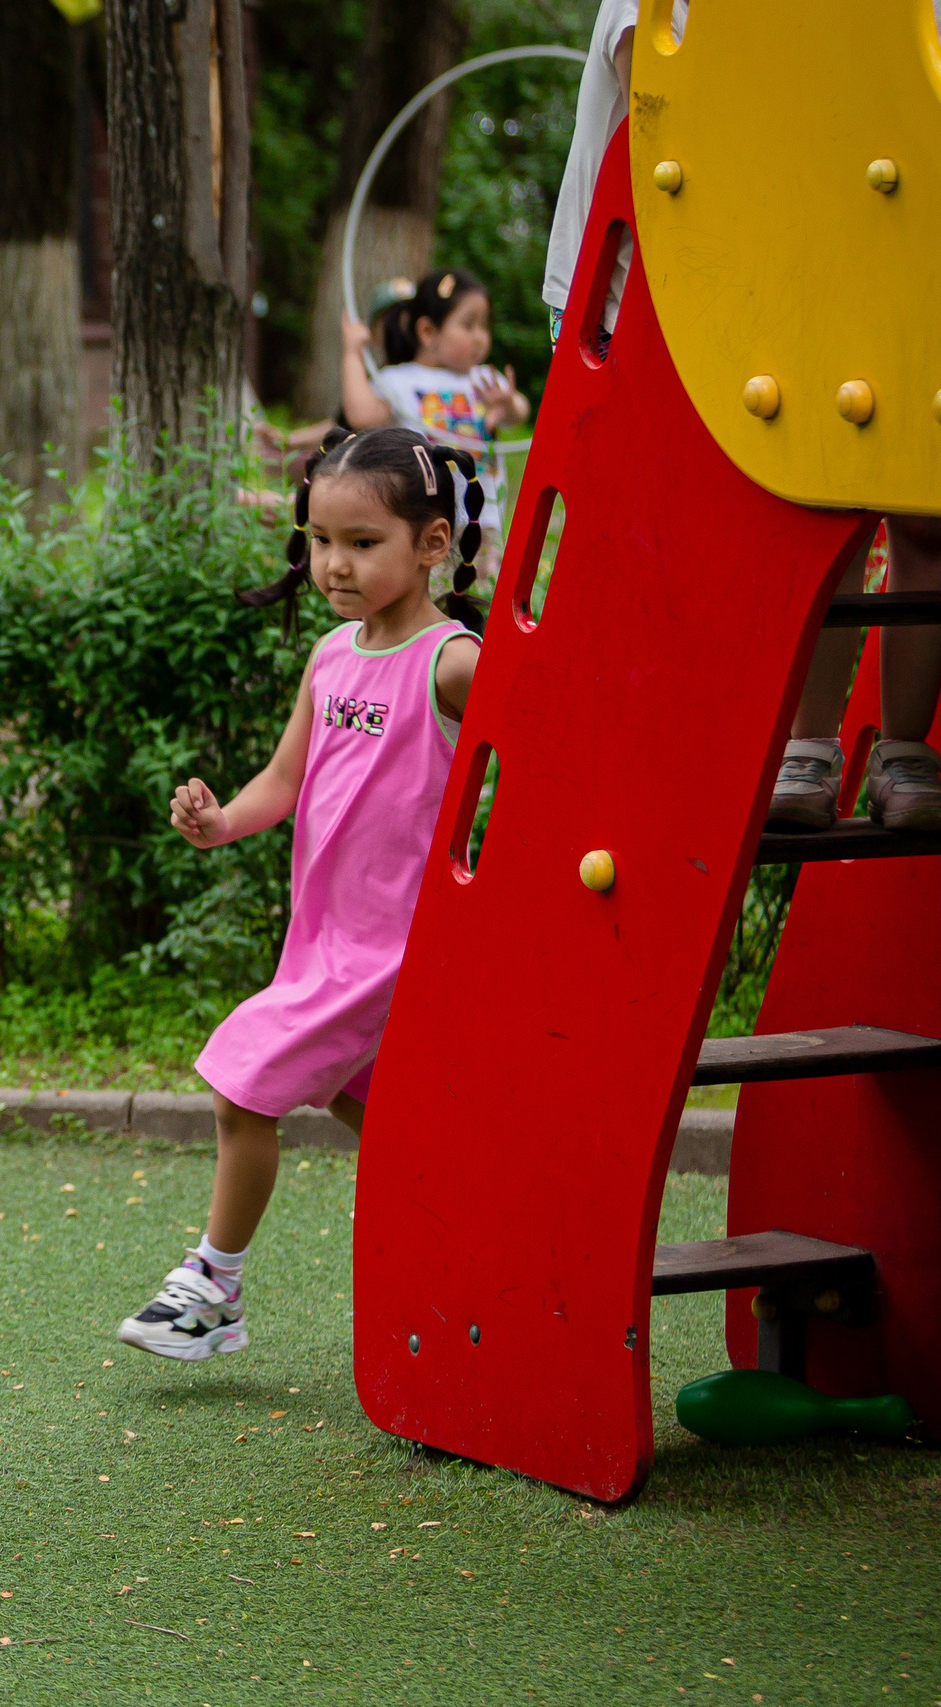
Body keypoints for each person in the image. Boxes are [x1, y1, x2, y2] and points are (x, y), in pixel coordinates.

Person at [117, 425, 484, 1362]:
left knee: (244, 1082)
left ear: (432, 544)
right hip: (324, 940)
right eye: (323, 540)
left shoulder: (453, 662)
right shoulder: (330, 657)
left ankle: (213, 1285)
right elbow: (286, 780)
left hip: (394, 948)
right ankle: (484, 1244)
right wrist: (220, 820)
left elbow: (540, 749)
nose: (335, 563)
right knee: (390, 1124)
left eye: (363, 543)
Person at [537, 0, 941, 832]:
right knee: (816, 504)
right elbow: (673, 111)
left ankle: (902, 749)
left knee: (924, 517)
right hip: (685, 294)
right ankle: (807, 743)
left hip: (874, 271)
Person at [339, 268, 530, 559]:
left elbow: (519, 413)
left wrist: (509, 404)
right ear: (428, 332)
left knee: (479, 595)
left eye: (484, 326)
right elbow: (362, 416)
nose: (481, 338)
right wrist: (352, 354)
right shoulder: (400, 380)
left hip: (482, 519)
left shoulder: (484, 379)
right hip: (423, 521)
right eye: (468, 326)